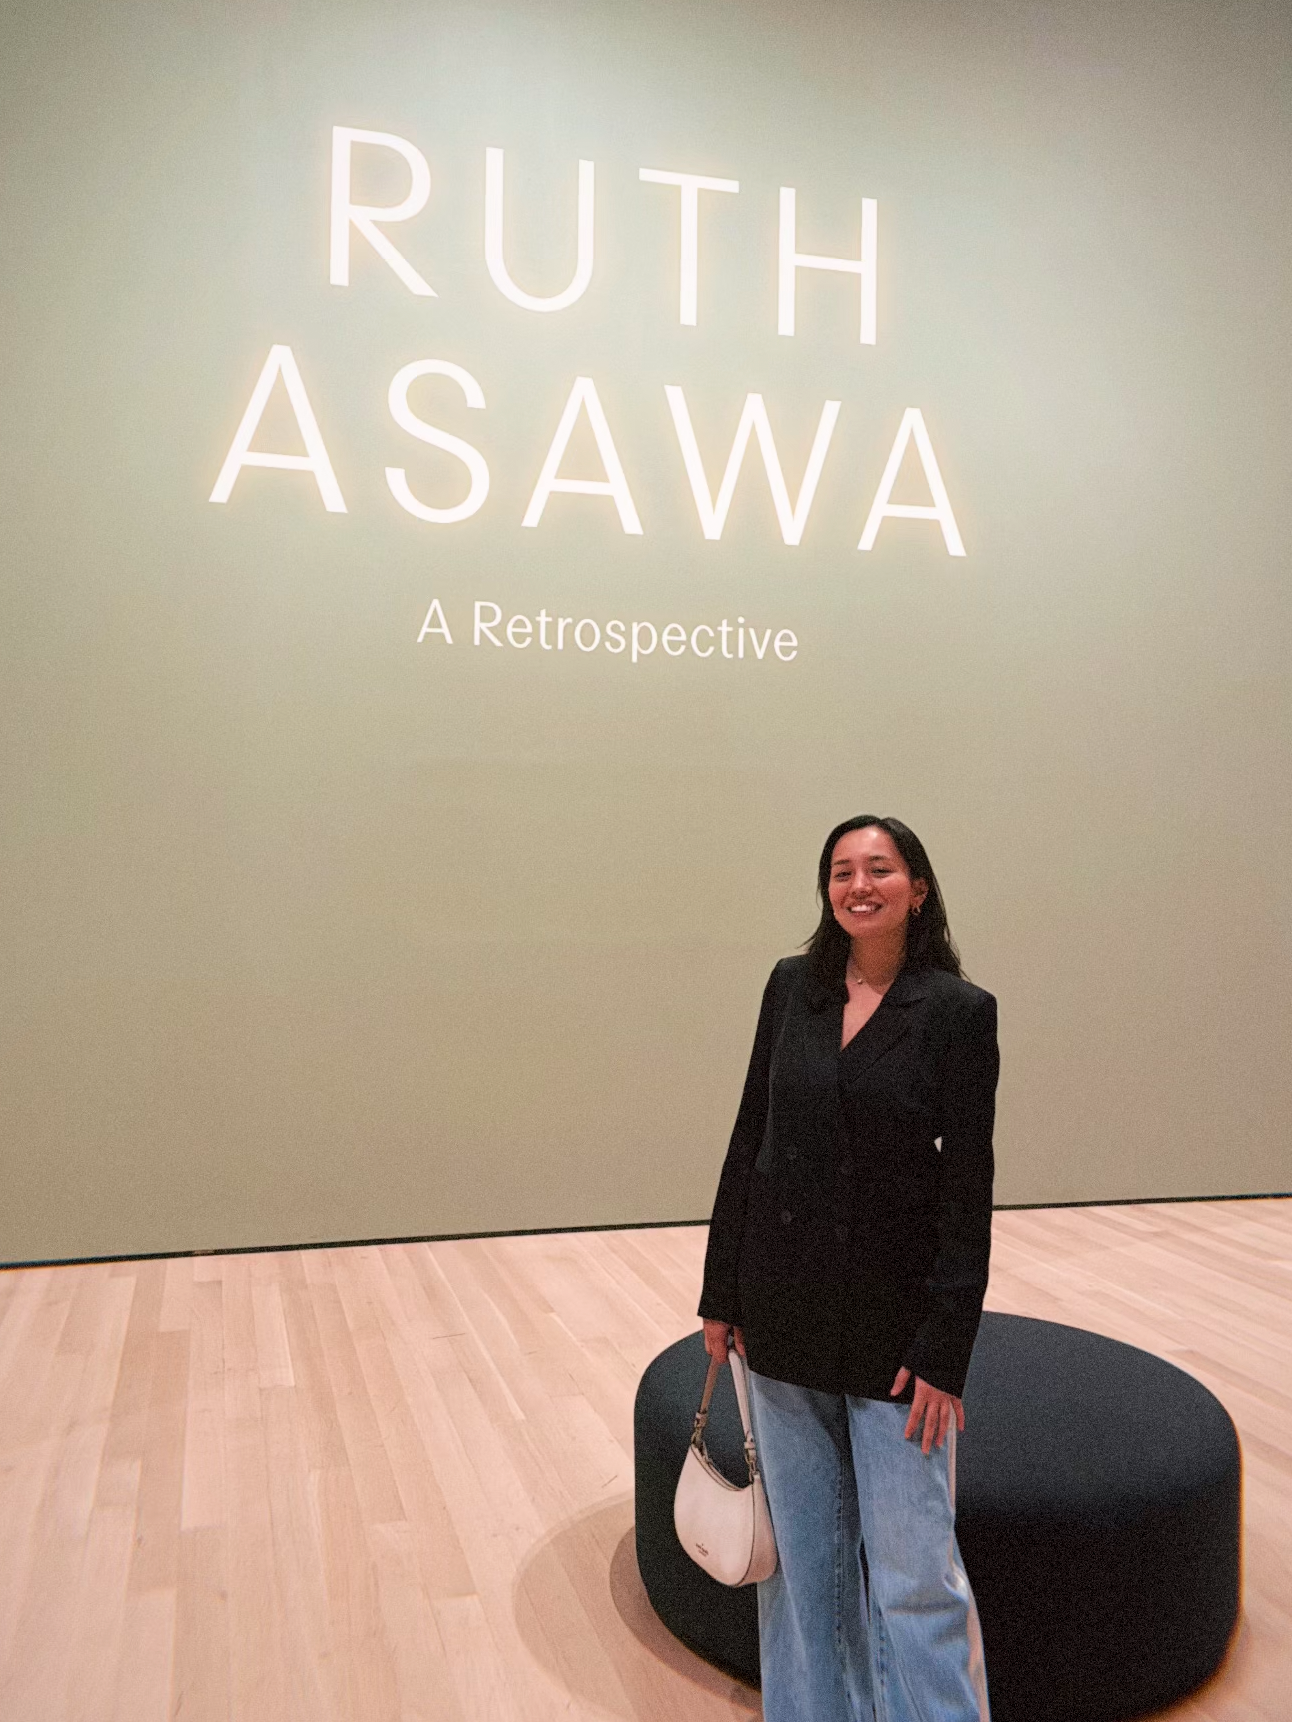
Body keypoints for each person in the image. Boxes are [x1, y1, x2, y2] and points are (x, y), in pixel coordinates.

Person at [699, 815, 999, 1722]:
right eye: (842, 870)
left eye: (880, 868)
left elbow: (968, 1189)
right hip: (783, 1318)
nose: (859, 885)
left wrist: (946, 1351)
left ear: (917, 887)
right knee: (801, 1573)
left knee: (915, 1582)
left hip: (896, 1345)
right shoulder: (792, 988)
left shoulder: (956, 1011)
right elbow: (752, 1134)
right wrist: (722, 1291)